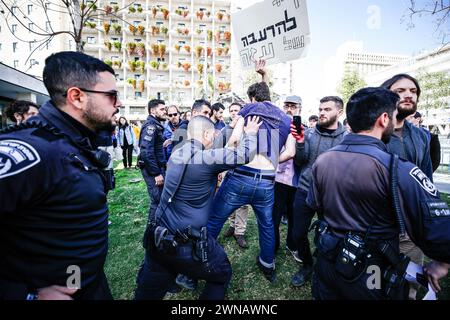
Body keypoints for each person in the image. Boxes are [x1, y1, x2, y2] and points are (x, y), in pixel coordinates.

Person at [308, 87, 450, 300]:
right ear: (384, 119)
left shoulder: (323, 160)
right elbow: (438, 229)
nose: (395, 121)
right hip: (371, 272)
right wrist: (443, 262)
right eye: (394, 115)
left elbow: (315, 204)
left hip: (327, 264)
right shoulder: (397, 168)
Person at [0, 51, 121, 300]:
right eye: (112, 96)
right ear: (76, 97)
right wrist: (23, 295)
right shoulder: (32, 151)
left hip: (85, 283)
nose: (118, 104)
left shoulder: (73, 140)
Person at [134, 115, 261, 300]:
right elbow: (244, 154)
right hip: (185, 243)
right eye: (212, 135)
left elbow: (209, 155)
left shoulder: (178, 151)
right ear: (208, 133)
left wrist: (230, 127)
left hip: (158, 236)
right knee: (222, 273)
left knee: (148, 292)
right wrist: (250, 133)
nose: (213, 140)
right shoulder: (204, 159)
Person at [207, 59, 296, 282]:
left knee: (215, 219)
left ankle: (200, 259)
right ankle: (268, 264)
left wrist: (223, 160)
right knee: (266, 225)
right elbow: (291, 151)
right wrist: (272, 161)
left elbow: (235, 140)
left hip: (241, 176)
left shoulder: (249, 109)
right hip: (267, 180)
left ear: (251, 99)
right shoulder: (286, 118)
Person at [381, 74, 433, 299]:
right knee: (376, 283)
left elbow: (427, 182)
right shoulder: (371, 133)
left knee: (407, 288)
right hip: (378, 228)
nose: (408, 95)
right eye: (400, 91)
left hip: (412, 229)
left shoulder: (422, 136)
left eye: (413, 91)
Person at [290, 96, 347, 288]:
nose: (322, 112)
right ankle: (307, 265)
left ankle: (324, 268)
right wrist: (299, 141)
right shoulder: (311, 133)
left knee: (329, 236)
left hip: (331, 196)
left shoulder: (347, 139)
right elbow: (300, 161)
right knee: (297, 235)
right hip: (305, 190)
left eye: (327, 109)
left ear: (339, 113)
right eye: (321, 109)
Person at [273, 95, 303, 262]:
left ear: (300, 108)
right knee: (273, 216)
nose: (289, 109)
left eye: (293, 106)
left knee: (294, 216)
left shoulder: (304, 129)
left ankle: (292, 245)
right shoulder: (276, 129)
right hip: (276, 179)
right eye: (287, 105)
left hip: (296, 181)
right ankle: (273, 246)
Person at [219, 102, 250, 249]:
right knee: (229, 197)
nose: (233, 113)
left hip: (243, 168)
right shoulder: (226, 127)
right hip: (227, 167)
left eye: (236, 110)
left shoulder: (247, 128)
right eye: (231, 111)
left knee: (242, 202)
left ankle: (240, 232)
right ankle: (232, 225)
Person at [138, 99, 167, 222]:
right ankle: (152, 232)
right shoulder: (151, 126)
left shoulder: (156, 125)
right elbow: (146, 151)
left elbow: (153, 148)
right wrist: (156, 173)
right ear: (152, 110)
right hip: (152, 170)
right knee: (157, 200)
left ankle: (158, 228)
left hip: (157, 167)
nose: (164, 111)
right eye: (162, 109)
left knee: (160, 199)